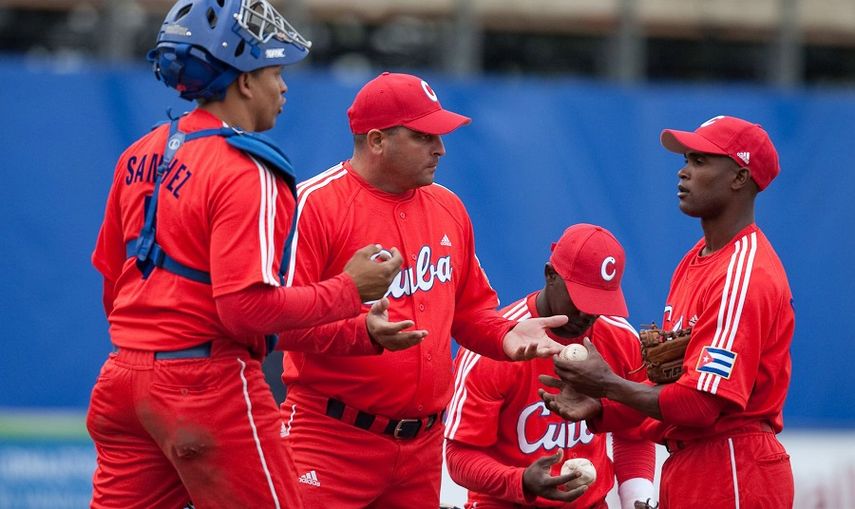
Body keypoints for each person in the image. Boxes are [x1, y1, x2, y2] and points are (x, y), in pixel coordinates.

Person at [87, 2, 416, 507]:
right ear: (244, 81)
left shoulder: (140, 152)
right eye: (275, 73)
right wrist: (350, 290)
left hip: (121, 382)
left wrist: (355, 332)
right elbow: (245, 311)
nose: (283, 88)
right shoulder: (249, 169)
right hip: (204, 385)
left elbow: (114, 283)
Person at [279, 71, 569, 508]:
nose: (440, 148)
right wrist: (362, 333)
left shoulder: (447, 206)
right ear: (377, 140)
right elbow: (280, 323)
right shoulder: (316, 204)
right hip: (330, 438)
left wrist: (506, 335)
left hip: (421, 449)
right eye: (423, 136)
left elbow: (471, 312)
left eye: (439, 134)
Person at [540, 115, 795, 508]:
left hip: (732, 467)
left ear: (740, 177)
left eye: (700, 161)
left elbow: (701, 405)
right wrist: (605, 406)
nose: (683, 171)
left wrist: (608, 384)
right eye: (686, 160)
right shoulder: (695, 260)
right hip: (692, 464)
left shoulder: (744, 273)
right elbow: (669, 389)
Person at [444, 223, 656, 509]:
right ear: (550, 275)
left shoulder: (621, 338)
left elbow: (635, 433)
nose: (588, 314)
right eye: (581, 298)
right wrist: (520, 481)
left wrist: (636, 500)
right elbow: (459, 457)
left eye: (600, 301)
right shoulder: (495, 344)